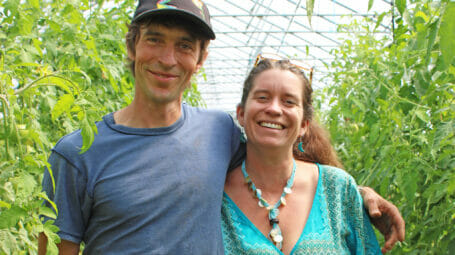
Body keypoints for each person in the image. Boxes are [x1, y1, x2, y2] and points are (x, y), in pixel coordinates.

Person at [38, 0, 404, 254]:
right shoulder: (76, 155)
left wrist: (358, 195)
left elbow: (278, 163)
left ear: (200, 59)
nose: (167, 59)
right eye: (154, 40)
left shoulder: (218, 131)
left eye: (184, 45)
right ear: (132, 46)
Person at [221, 57, 382, 254]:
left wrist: (363, 193)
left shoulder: (338, 189)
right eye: (262, 97)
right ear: (241, 114)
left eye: (288, 102)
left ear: (304, 125)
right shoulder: (215, 196)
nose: (273, 109)